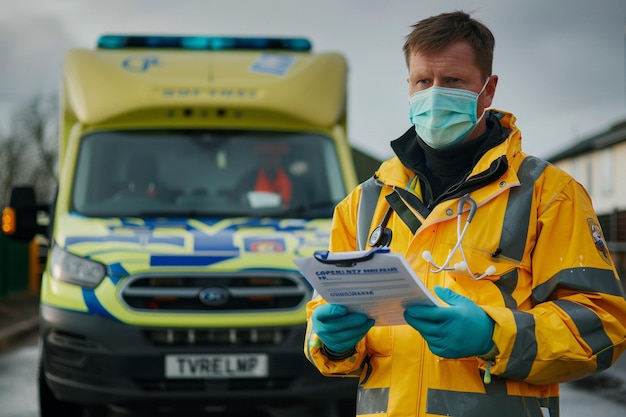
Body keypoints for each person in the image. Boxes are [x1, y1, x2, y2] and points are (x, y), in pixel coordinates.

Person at [304, 10, 626, 417]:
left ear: (488, 91)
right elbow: (322, 317)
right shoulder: (364, 202)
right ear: (409, 85)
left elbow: (604, 326)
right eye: (424, 81)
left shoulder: (550, 194)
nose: (435, 94)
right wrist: (331, 341)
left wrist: (493, 335)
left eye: (453, 81)